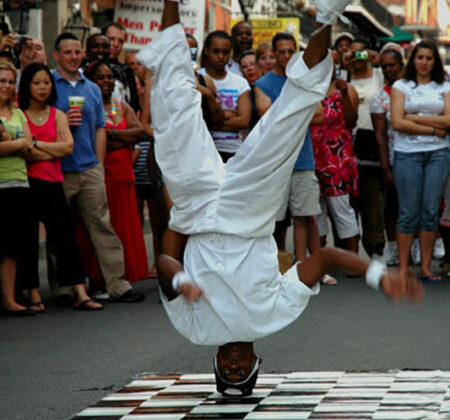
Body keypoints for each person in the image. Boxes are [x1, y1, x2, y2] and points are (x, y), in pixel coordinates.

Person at [137, 0, 422, 395]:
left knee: (172, 107)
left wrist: (182, 278)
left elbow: (165, 261)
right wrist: (378, 275)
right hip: (250, 210)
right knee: (291, 113)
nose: (234, 364)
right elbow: (321, 258)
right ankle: (325, 16)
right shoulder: (275, 316)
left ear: (216, 364)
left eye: (228, 371)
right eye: (241, 371)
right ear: (257, 363)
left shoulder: (193, 328)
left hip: (197, 210)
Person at [51, 32, 144, 303]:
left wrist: (99, 165)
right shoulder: (51, 86)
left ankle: (118, 284)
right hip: (59, 168)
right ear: (57, 55)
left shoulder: (90, 88)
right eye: (67, 52)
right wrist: (62, 122)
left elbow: (100, 130)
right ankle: (64, 288)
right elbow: (41, 124)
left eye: (76, 52)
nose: (73, 56)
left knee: (103, 227)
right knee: (61, 231)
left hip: (89, 166)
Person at [18, 62, 102, 311]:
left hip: (55, 182)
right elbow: (27, 152)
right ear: (27, 86)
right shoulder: (20, 114)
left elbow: (67, 148)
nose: (42, 87)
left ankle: (80, 291)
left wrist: (38, 144)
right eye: (37, 83)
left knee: (66, 240)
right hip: (29, 184)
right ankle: (34, 294)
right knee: (29, 241)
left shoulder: (58, 114)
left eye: (46, 82)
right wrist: (47, 148)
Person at [254, 32, 326, 281]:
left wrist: (287, 113)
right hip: (274, 163)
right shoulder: (263, 84)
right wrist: (299, 112)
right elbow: (267, 117)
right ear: (273, 54)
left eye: (289, 51)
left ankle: (310, 267)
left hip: (303, 159)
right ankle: (272, 268)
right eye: (281, 52)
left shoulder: (304, 81)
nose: (285, 56)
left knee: (306, 215)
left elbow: (319, 115)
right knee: (273, 221)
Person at [82, 61, 150, 284]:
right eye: (100, 77)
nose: (106, 81)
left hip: (123, 174)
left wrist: (110, 135)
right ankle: (100, 276)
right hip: (102, 173)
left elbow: (140, 132)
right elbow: (91, 141)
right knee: (104, 225)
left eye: (109, 77)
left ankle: (123, 276)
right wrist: (121, 137)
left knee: (123, 225)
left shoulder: (121, 107)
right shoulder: (88, 106)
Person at [391, 40, 450, 283]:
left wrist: (413, 117)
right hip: (407, 153)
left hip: (438, 154)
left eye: (429, 58)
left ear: (435, 61)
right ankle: (404, 268)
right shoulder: (400, 85)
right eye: (420, 57)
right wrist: (433, 128)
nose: (424, 62)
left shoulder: (444, 86)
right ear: (412, 60)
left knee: (429, 212)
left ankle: (425, 268)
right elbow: (397, 122)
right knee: (408, 213)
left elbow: (449, 121)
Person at [0, 61, 37, 316]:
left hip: (19, 183)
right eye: (2, 81)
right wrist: (19, 143)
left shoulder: (18, 114)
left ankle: (10, 298)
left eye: (10, 81)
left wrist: (10, 141)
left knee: (13, 246)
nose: (6, 86)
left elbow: (31, 148)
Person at [311, 67, 360, 255]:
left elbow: (351, 120)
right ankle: (318, 258)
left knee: (342, 210)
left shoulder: (345, 89)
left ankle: (353, 259)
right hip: (313, 156)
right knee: (316, 212)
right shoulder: (309, 88)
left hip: (337, 158)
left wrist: (345, 93)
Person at [344, 37, 385, 258]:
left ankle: (375, 246)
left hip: (371, 144)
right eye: (353, 53)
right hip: (345, 145)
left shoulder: (378, 75)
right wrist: (343, 65)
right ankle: (348, 250)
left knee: (372, 199)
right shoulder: (343, 76)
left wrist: (376, 62)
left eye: (362, 53)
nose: (358, 58)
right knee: (347, 203)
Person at [370, 44, 405, 266]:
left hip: (418, 153)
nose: (388, 70)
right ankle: (392, 248)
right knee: (392, 207)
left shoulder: (412, 89)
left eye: (392, 65)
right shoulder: (380, 98)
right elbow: (380, 136)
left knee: (416, 205)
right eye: (384, 67)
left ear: (401, 64)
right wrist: (385, 167)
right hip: (394, 157)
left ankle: (419, 247)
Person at [198, 30, 251, 162]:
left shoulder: (240, 82)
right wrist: (228, 116)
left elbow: (244, 120)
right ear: (206, 51)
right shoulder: (197, 78)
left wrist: (212, 122)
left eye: (225, 52)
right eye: (216, 51)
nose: (221, 56)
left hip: (233, 150)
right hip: (203, 150)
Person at [102, 22, 141, 113]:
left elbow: (134, 107)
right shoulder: (89, 68)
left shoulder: (127, 72)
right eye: (111, 39)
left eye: (120, 41)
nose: (116, 44)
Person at [239, 49, 261, 132]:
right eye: (244, 67)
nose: (249, 68)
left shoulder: (268, 87)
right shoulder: (242, 92)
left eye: (253, 64)